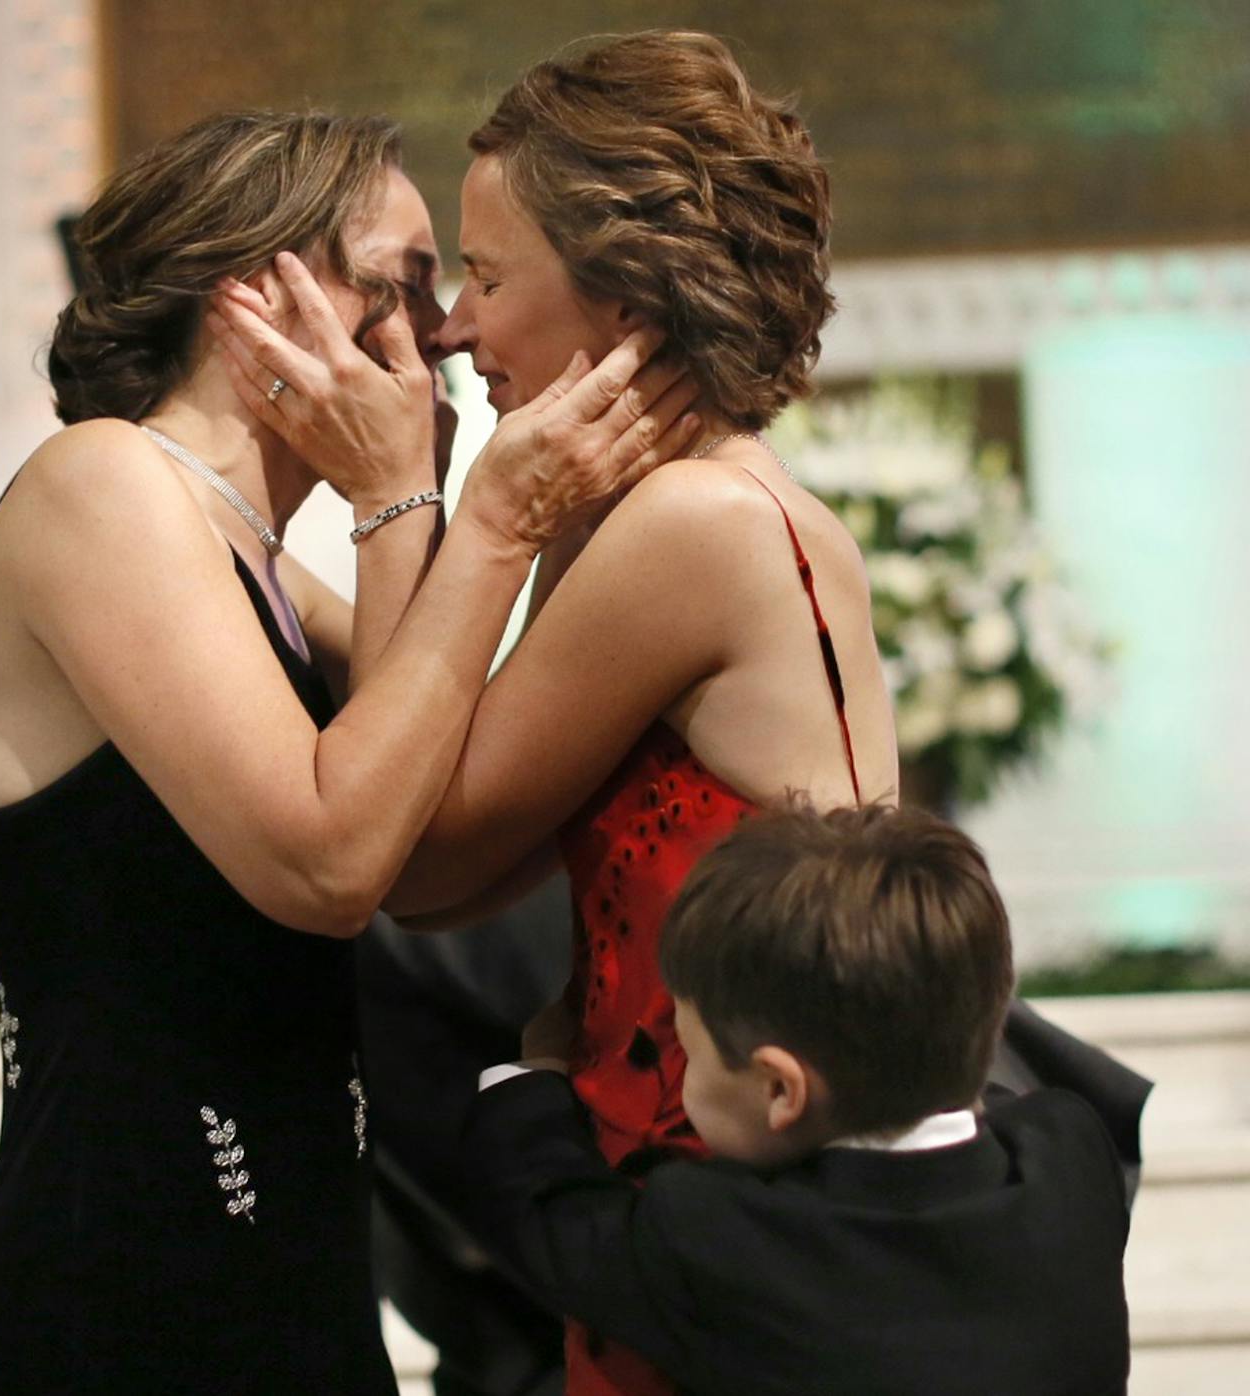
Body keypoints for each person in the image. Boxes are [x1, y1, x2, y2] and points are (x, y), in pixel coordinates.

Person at [0, 111, 701, 1394]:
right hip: (121, 1298)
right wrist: (475, 516)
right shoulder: (102, 485)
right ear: (257, 296)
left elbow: (418, 789)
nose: (443, 330)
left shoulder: (242, 542)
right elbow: (332, 860)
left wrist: (454, 509)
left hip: (290, 1279)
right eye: (400, 283)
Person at [214, 31, 894, 1396]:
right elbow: (453, 789)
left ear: (624, 293)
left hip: (739, 1227)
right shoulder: (641, 516)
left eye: (484, 275)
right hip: (679, 1195)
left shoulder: (695, 525)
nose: (451, 329)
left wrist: (400, 495)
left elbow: (415, 858)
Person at [468, 805, 1134, 1396]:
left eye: (689, 1052)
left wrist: (531, 1075)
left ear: (779, 1090)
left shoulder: (722, 1238)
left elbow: (555, 1215)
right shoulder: (1069, 1158)